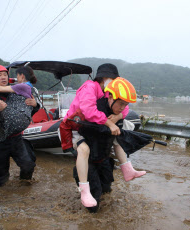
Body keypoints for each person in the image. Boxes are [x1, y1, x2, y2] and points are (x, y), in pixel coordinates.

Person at [60, 64, 145, 208]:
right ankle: (84, 190)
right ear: (104, 78)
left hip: (96, 132)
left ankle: (127, 168)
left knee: (117, 138)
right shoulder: (90, 87)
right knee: (84, 150)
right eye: (113, 80)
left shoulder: (108, 92)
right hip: (75, 126)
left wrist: (117, 117)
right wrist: (108, 123)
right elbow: (88, 110)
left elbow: (124, 108)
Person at [73, 77, 139, 212]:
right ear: (110, 97)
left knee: (107, 190)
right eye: (120, 104)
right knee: (94, 203)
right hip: (90, 160)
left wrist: (118, 117)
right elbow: (88, 128)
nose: (122, 108)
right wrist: (108, 125)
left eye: (125, 105)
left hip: (104, 157)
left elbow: (121, 123)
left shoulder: (117, 114)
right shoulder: (95, 111)